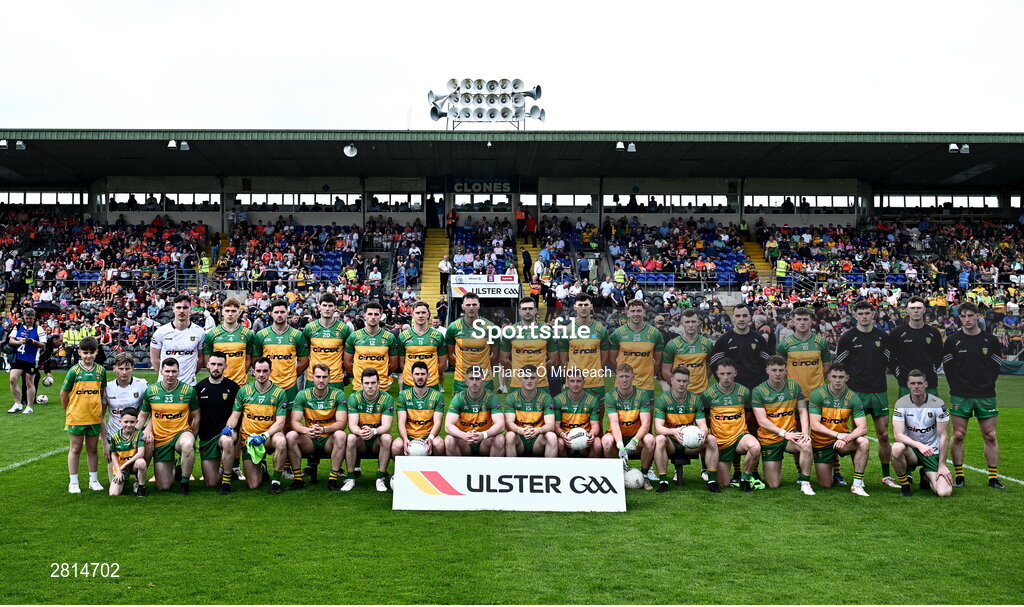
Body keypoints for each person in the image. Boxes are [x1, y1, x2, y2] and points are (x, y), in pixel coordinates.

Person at [942, 302, 1004, 489]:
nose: (967, 319)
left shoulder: (990, 340)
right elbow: (948, 367)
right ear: (959, 318)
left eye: (971, 315)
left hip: (985, 394)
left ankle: (993, 478)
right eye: (963, 316)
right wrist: (958, 386)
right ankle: (960, 476)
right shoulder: (952, 340)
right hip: (961, 395)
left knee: (990, 435)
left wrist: (986, 383)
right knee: (958, 435)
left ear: (978, 316)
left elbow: (996, 366)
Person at [834, 301, 896, 488]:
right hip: (856, 392)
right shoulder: (848, 337)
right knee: (856, 436)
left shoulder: (882, 337)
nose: (864, 316)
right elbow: (840, 363)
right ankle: (857, 477)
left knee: (883, 434)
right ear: (855, 315)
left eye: (867, 312)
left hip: (878, 391)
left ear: (873, 314)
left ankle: (886, 476)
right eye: (860, 313)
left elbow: (887, 360)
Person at [709, 302, 771, 484]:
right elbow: (714, 363)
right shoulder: (724, 340)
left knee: (754, 432)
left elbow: (767, 365)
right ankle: (737, 472)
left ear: (750, 317)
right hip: (731, 396)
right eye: (738, 316)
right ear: (733, 317)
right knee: (734, 432)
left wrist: (760, 387)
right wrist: (724, 384)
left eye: (745, 315)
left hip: (753, 395)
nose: (742, 319)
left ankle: (753, 471)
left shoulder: (758, 339)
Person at [222, 357, 290, 493]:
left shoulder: (279, 393)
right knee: (253, 485)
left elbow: (280, 422)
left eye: (265, 371)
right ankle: (262, 468)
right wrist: (229, 427)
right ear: (253, 372)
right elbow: (235, 416)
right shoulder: (244, 391)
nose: (261, 374)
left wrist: (264, 436)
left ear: (271, 371)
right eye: (258, 371)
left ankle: (276, 482)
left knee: (281, 441)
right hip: (250, 440)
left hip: (269, 437)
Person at [751, 355, 815, 495]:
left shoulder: (794, 386)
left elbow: (803, 411)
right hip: (770, 439)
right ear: (767, 370)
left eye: (781, 370)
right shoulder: (758, 391)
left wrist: (804, 432)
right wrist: (783, 433)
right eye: (774, 370)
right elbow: (762, 421)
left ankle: (805, 482)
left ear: (786, 370)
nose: (778, 373)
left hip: (790, 435)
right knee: (774, 484)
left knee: (806, 445)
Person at [652, 366, 721, 493]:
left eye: (684, 381)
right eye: (678, 381)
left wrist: (699, 434)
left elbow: (704, 427)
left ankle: (712, 481)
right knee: (660, 439)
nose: (681, 384)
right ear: (672, 380)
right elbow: (658, 428)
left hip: (690, 444)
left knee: (711, 439)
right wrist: (674, 432)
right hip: (671, 442)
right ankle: (663, 481)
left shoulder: (695, 399)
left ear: (688, 382)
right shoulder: (663, 399)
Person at [136, 358, 199, 494]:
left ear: (178, 372)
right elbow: (142, 416)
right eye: (167, 371)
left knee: (187, 444)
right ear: (161, 371)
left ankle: (184, 482)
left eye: (174, 371)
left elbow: (196, 416)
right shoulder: (151, 391)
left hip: (180, 433)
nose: (170, 375)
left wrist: (193, 436)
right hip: (160, 438)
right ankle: (175, 468)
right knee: (164, 486)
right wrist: (135, 436)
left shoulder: (188, 391)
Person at [808, 363, 871, 496]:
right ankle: (835, 472)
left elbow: (863, 427)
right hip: (821, 442)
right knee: (826, 484)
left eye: (841, 377)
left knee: (863, 442)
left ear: (847, 378)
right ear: (829, 377)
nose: (838, 380)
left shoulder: (853, 397)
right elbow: (815, 425)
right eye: (835, 376)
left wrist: (846, 437)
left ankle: (857, 483)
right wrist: (838, 435)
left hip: (843, 441)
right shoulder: (817, 394)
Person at [702, 358, 761, 491]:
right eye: (722, 374)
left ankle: (745, 479)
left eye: (729, 373)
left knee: (755, 447)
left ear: (735, 373)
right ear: (717, 373)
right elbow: (705, 420)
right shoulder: (708, 395)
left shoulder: (744, 392)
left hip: (740, 437)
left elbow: (748, 415)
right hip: (721, 442)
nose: (726, 377)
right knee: (723, 483)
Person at [891, 369, 953, 497]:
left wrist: (942, 465)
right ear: (908, 384)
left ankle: (926, 475)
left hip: (932, 452)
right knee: (896, 447)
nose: (916, 386)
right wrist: (919, 445)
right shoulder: (901, 403)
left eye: (920, 383)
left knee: (944, 493)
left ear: (926, 384)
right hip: (912, 452)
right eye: (913, 383)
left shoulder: (938, 404)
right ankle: (905, 486)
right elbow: (898, 435)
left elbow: (943, 436)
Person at [287, 363, 347, 491]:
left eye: (324, 377)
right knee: (291, 436)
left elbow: (342, 423)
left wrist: (324, 429)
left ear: (329, 378)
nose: (321, 380)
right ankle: (298, 479)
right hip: (310, 439)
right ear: (312, 377)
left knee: (341, 435)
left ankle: (333, 479)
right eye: (318, 376)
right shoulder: (302, 395)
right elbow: (295, 421)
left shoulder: (338, 394)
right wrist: (306, 430)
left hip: (328, 439)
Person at [60, 337, 109, 493]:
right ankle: (73, 482)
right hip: (77, 416)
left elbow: (101, 394)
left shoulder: (101, 371)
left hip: (94, 417)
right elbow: (63, 393)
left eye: (91, 353)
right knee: (75, 448)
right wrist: (69, 410)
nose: (88, 356)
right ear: (79, 352)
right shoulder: (74, 371)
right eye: (85, 353)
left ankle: (93, 480)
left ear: (97, 352)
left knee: (93, 448)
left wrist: (99, 412)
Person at [601, 364, 655, 485]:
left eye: (627, 376)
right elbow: (614, 424)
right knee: (606, 441)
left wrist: (634, 440)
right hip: (617, 436)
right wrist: (620, 445)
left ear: (633, 377)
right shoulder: (610, 396)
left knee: (650, 440)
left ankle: (645, 475)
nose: (624, 380)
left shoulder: (642, 395)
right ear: (617, 378)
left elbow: (646, 424)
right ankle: (617, 474)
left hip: (636, 436)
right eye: (621, 376)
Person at [194, 352, 240, 493]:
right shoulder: (199, 388)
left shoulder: (233, 387)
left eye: (220, 365)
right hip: (207, 437)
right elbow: (195, 416)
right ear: (207, 365)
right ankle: (223, 468)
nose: (216, 367)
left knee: (226, 441)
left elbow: (237, 413)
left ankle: (226, 481)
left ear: (225, 366)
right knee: (211, 483)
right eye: (213, 364)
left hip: (226, 433)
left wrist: (231, 429)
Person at [342, 369, 395, 492]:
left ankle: (380, 478)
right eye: (366, 383)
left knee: (387, 438)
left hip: (377, 440)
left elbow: (387, 426)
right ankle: (350, 478)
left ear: (378, 383)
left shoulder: (387, 398)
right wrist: (360, 432)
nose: (370, 386)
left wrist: (374, 431)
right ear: (361, 384)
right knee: (350, 437)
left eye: (373, 383)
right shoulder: (354, 397)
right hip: (361, 439)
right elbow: (352, 425)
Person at [553, 293, 610, 403]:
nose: (583, 308)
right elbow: (564, 361)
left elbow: (604, 360)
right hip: (573, 384)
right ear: (575, 307)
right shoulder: (567, 331)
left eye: (586, 304)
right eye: (580, 305)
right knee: (572, 419)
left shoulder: (601, 330)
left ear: (591, 306)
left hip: (595, 384)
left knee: (597, 419)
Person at [253, 299, 310, 403]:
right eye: (276, 312)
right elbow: (255, 361)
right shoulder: (261, 335)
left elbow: (304, 361)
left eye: (282, 312)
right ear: (271, 314)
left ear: (287, 313)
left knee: (289, 418)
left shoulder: (297, 335)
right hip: (268, 384)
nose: (279, 315)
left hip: (289, 386)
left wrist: (292, 375)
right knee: (267, 416)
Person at [886, 297, 943, 398]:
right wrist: (900, 374)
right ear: (907, 310)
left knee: (930, 413)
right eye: (912, 308)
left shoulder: (934, 332)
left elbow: (939, 356)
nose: (916, 310)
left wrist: (931, 370)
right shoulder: (897, 333)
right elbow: (891, 358)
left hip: (929, 382)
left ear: (924, 310)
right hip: (906, 384)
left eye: (919, 308)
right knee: (907, 413)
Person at [444, 365, 506, 457]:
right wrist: (464, 435)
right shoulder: (459, 398)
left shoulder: (491, 397)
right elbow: (448, 426)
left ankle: (492, 470)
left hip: (484, 440)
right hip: (465, 441)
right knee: (449, 440)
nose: (474, 382)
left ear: (483, 381)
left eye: (477, 379)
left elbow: (501, 425)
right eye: (471, 379)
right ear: (466, 381)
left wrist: (483, 435)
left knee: (500, 438)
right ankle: (458, 470)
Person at [606, 299, 665, 394]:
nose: (636, 314)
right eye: (632, 311)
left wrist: (648, 376)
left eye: (639, 311)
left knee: (647, 409)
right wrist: (622, 375)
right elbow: (612, 361)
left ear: (644, 312)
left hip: (646, 385)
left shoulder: (655, 333)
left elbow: (657, 362)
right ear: (627, 313)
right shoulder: (618, 333)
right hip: (623, 385)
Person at [775, 307, 831, 405]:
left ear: (811, 322)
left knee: (816, 421)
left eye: (805, 319)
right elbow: (779, 370)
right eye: (799, 319)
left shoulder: (821, 342)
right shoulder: (784, 344)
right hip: (794, 395)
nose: (802, 322)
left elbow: (826, 369)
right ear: (793, 322)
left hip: (817, 395)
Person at [446, 293, 499, 394]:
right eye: (468, 305)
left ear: (479, 306)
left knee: (485, 409)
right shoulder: (453, 327)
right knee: (460, 409)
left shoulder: (490, 328)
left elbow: (495, 355)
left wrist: (485, 367)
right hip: (461, 379)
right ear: (462, 306)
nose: (471, 308)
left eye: (474, 305)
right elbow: (450, 354)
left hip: (485, 379)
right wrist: (459, 367)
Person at [499, 298, 556, 393]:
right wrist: (515, 371)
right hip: (518, 383)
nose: (528, 311)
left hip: (541, 383)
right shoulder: (510, 331)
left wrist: (541, 371)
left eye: (530, 308)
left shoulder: (547, 330)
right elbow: (503, 359)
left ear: (536, 310)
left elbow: (554, 360)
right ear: (519, 311)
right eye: (524, 309)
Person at [392, 362, 446, 459]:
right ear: (411, 375)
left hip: (428, 436)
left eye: (423, 374)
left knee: (439, 444)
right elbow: (401, 422)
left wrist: (431, 437)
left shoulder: (437, 396)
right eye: (417, 374)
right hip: (409, 436)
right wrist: (405, 439)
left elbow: (438, 422)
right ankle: (400, 473)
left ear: (428, 375)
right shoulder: (404, 395)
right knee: (396, 446)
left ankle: (436, 471)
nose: (420, 377)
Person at [150, 294, 206, 386]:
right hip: (165, 385)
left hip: (189, 384)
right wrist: (164, 375)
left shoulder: (200, 332)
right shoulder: (160, 332)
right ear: (173, 309)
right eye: (178, 307)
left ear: (190, 309)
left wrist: (190, 374)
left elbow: (201, 359)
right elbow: (154, 359)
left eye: (185, 308)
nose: (181, 311)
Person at [344, 302, 400, 393]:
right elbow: (347, 363)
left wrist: (382, 375)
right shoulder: (354, 336)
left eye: (376, 314)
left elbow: (394, 365)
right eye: (370, 314)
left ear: (381, 316)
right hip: (359, 387)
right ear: (364, 315)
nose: (373, 317)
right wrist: (358, 376)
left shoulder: (389, 337)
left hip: (381, 387)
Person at [503, 365, 557, 457]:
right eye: (525, 377)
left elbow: (551, 425)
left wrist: (537, 430)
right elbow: (508, 423)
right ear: (520, 379)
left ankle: (549, 471)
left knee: (552, 437)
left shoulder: (546, 397)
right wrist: (520, 430)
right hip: (520, 439)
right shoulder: (512, 397)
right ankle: (511, 470)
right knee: (509, 436)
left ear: (537, 379)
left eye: (532, 378)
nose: (529, 381)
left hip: (538, 439)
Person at [302, 293, 351, 389]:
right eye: (324, 305)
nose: (327, 308)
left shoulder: (344, 329)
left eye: (330, 306)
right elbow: (304, 353)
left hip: (335, 378)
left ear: (335, 307)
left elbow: (348, 355)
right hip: (313, 378)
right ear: (319, 307)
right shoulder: (309, 328)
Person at [203, 298, 255, 387]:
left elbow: (248, 360)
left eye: (234, 311)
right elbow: (207, 359)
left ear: (239, 313)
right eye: (227, 311)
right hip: (219, 384)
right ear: (222, 312)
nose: (230, 314)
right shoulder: (212, 334)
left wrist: (241, 375)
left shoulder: (248, 334)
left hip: (240, 384)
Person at [661, 308, 714, 395]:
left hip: (701, 393)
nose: (690, 325)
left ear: (698, 323)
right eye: (687, 322)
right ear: (682, 323)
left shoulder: (707, 343)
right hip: (680, 394)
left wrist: (701, 383)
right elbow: (666, 371)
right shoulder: (672, 344)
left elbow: (710, 369)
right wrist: (678, 386)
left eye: (693, 322)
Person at [397, 302, 447, 391]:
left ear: (428, 314)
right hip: (409, 382)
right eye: (417, 313)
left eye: (423, 312)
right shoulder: (403, 336)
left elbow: (442, 363)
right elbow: (402, 363)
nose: (420, 315)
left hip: (431, 383)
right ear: (412, 315)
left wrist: (431, 376)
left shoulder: (438, 336)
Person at [552, 368, 602, 458]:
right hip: (566, 439)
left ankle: (589, 471)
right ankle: (566, 470)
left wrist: (592, 434)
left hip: (585, 439)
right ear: (567, 383)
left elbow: (595, 426)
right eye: (572, 381)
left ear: (584, 382)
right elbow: (556, 426)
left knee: (597, 443)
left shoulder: (592, 400)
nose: (575, 384)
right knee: (559, 443)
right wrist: (562, 435)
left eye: (578, 381)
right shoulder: (558, 400)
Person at [7, 308, 47, 414]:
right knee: (12, 379)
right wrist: (19, 342)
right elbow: (10, 340)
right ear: (23, 318)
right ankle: (17, 403)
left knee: (29, 382)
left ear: (34, 318)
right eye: (26, 318)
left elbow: (43, 344)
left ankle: (29, 406)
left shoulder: (39, 329)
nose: (28, 320)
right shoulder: (18, 326)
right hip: (19, 358)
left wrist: (33, 342)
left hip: (32, 359)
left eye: (30, 318)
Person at [103, 353, 148, 444]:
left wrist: (148, 429)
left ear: (132, 368)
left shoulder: (142, 384)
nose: (124, 372)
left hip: (136, 435)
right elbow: (101, 416)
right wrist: (105, 443)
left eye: (127, 369)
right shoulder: (107, 387)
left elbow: (153, 408)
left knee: (145, 450)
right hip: (114, 436)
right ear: (114, 368)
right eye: (120, 369)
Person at [105, 407, 148, 497]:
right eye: (126, 422)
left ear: (136, 422)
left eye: (132, 422)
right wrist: (118, 470)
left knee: (141, 462)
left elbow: (140, 453)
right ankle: (124, 479)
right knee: (113, 493)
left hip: (133, 465)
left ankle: (141, 487)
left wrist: (124, 466)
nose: (129, 425)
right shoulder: (115, 437)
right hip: (121, 467)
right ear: (120, 421)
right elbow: (113, 454)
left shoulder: (139, 434)